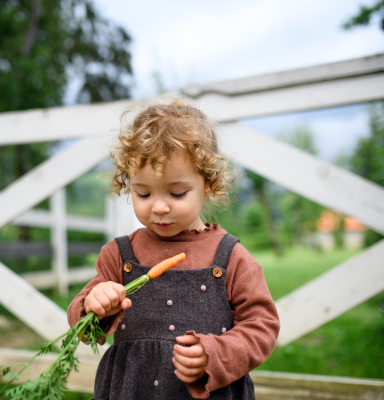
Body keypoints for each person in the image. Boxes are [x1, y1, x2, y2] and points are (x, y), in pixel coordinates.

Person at [67, 98, 280, 400]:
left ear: (207, 183)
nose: (159, 206)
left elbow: (263, 326)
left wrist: (216, 354)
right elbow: (82, 326)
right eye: (143, 193)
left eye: (177, 192)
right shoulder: (119, 255)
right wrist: (93, 304)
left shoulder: (231, 257)